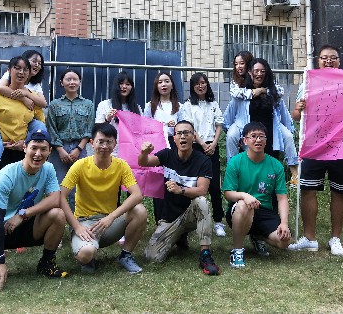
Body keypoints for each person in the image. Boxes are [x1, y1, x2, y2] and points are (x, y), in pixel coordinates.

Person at [288, 45, 343, 256]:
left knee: (339, 191)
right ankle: (309, 238)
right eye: (324, 58)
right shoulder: (309, 82)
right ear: (318, 61)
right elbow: (296, 116)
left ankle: (335, 238)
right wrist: (298, 109)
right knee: (308, 190)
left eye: (333, 58)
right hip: (314, 145)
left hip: (342, 146)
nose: (328, 61)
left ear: (339, 61)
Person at [0, 129, 68, 289]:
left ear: (50, 151)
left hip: (25, 225)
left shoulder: (48, 168)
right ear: (24, 148)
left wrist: (23, 215)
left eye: (43, 149)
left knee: (58, 214)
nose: (38, 154)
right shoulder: (6, 175)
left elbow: (55, 199)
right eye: (34, 148)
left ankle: (46, 263)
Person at [60, 123, 147, 274]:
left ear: (115, 144)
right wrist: (76, 226)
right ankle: (88, 254)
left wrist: (111, 217)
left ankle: (125, 255)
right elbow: (60, 196)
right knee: (86, 254)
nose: (104, 146)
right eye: (100, 141)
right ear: (92, 143)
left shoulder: (121, 165)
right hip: (86, 223)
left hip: (109, 223)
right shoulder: (80, 165)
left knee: (140, 210)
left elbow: (137, 194)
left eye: (109, 142)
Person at [139, 120, 221, 276]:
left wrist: (180, 190)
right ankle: (178, 237)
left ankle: (205, 254)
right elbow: (144, 163)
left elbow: (202, 190)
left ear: (194, 137)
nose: (183, 136)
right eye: (179, 133)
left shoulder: (203, 160)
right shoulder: (166, 155)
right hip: (169, 218)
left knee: (201, 201)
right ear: (174, 138)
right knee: (152, 257)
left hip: (190, 214)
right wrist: (144, 153)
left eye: (187, 133)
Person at [222, 121, 291, 268]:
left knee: (284, 241)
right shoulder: (235, 162)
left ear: (266, 140)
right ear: (245, 141)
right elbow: (228, 193)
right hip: (240, 210)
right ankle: (237, 250)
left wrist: (284, 223)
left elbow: (282, 198)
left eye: (261, 136)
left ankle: (257, 235)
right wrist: (244, 195)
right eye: (253, 136)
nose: (258, 140)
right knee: (243, 205)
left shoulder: (276, 165)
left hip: (264, 211)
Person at [0, 50, 47, 193]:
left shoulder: (34, 93)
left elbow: (41, 123)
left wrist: (26, 143)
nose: (21, 72)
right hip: (0, 151)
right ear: (9, 70)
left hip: (22, 150)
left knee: (20, 194)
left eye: (25, 69)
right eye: (17, 68)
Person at [223, 58, 298, 178]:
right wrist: (228, 128)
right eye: (256, 71)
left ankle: (295, 173)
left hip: (271, 126)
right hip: (244, 125)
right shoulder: (241, 92)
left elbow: (283, 111)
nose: (259, 74)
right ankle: (232, 170)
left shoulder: (273, 91)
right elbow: (229, 112)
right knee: (231, 136)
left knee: (288, 136)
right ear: (249, 72)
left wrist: (289, 127)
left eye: (262, 71)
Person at [181, 73, 226, 238]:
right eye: (197, 84)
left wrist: (213, 144)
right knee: (193, 185)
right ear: (192, 87)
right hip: (196, 147)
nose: (201, 86)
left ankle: (218, 222)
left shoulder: (213, 104)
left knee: (214, 186)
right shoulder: (187, 105)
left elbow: (219, 124)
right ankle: (190, 222)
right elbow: (189, 127)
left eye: (203, 83)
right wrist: (202, 144)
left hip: (212, 147)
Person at [46, 68, 94, 209]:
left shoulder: (88, 104)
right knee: (57, 187)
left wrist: (79, 149)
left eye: (75, 79)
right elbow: (51, 129)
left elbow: (90, 128)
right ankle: (57, 218)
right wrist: (60, 150)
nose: (72, 82)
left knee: (78, 188)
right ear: (62, 83)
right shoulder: (54, 105)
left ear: (79, 82)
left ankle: (76, 221)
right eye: (68, 79)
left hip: (80, 149)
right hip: (58, 150)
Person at [143, 71, 183, 222]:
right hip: (157, 145)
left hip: (174, 145)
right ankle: (160, 219)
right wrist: (161, 126)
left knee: (174, 180)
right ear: (156, 86)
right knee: (158, 182)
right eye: (160, 82)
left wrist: (175, 126)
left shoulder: (179, 106)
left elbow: (184, 127)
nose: (164, 84)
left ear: (172, 85)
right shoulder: (150, 106)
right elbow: (145, 128)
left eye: (167, 81)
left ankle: (175, 220)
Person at [95, 71, 142, 156]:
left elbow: (141, 131)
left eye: (128, 84)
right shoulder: (105, 105)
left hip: (131, 153)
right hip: (109, 152)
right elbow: (97, 129)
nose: (124, 86)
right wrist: (107, 119)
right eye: (121, 83)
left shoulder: (137, 108)